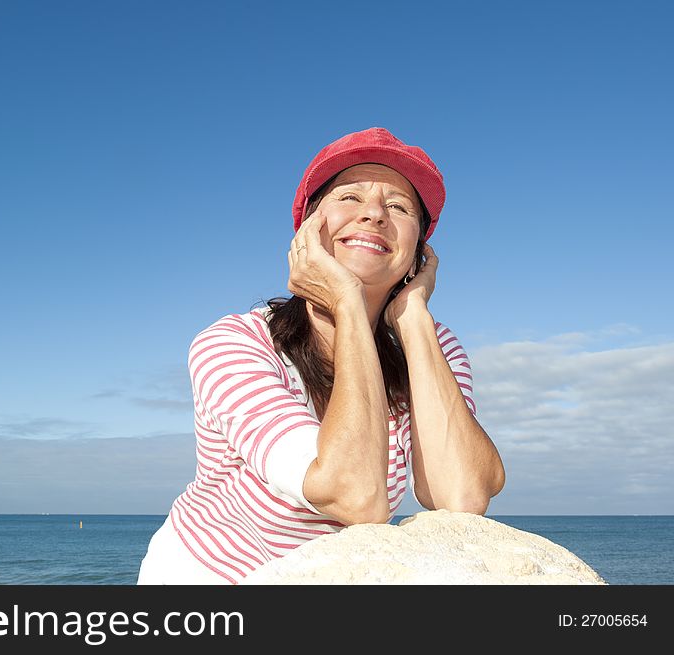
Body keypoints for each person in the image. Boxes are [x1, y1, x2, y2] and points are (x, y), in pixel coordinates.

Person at [137, 127, 505, 585]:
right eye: (349, 197)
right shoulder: (235, 342)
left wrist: (413, 320)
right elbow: (352, 494)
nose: (373, 214)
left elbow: (463, 495)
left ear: (419, 252)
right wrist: (348, 304)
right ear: (308, 232)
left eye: (398, 207)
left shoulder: (432, 344)